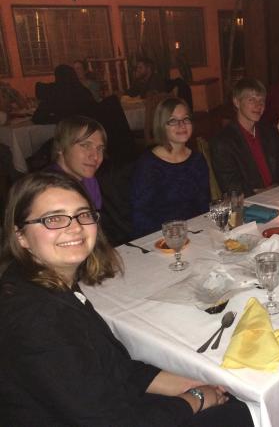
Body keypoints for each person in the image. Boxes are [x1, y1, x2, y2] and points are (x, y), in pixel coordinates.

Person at [0, 172, 253, 426]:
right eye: (54, 219)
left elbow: (114, 366)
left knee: (230, 399)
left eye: (82, 214)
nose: (75, 227)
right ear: (20, 235)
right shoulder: (36, 319)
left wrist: (189, 384)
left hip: (109, 404)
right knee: (240, 414)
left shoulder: (48, 280)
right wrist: (195, 398)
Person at [131, 97, 210, 237]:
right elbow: (140, 218)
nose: (182, 125)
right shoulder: (148, 165)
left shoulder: (197, 160)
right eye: (173, 121)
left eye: (186, 119)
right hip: (160, 239)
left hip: (196, 234)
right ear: (162, 126)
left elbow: (204, 207)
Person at [210, 78, 279, 196]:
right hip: (249, 202)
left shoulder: (270, 132)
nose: (259, 105)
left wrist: (277, 189)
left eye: (261, 100)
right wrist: (263, 193)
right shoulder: (223, 141)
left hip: (278, 195)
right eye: (251, 100)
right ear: (237, 102)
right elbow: (230, 185)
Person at [49, 115, 106, 210]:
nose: (96, 156)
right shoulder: (50, 190)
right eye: (85, 146)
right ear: (61, 148)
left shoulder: (89, 181)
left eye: (100, 148)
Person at [33, 64, 97, 125]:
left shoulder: (55, 92)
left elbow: (37, 118)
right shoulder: (84, 91)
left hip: (65, 128)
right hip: (85, 127)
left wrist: (57, 119)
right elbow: (93, 112)